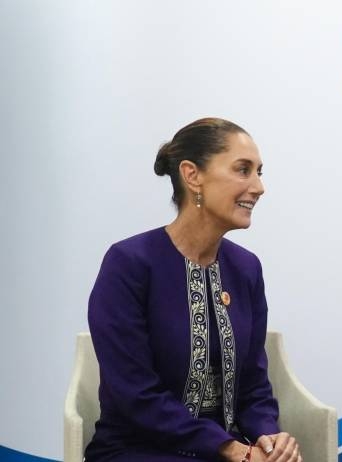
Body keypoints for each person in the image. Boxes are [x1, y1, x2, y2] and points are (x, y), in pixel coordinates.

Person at [86, 118, 301, 462]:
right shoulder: (129, 264)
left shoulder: (246, 269)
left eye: (260, 172)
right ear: (192, 175)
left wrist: (268, 439)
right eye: (243, 170)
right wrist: (229, 448)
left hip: (229, 452)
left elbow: (253, 385)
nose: (259, 186)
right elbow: (135, 394)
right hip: (137, 450)